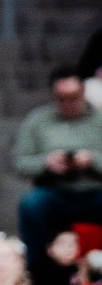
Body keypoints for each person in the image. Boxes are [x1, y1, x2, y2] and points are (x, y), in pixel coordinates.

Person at [14, 67, 102, 273]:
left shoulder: (99, 120)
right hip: (55, 192)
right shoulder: (37, 120)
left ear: (83, 93)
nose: (68, 103)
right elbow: (20, 163)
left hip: (95, 190)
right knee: (30, 205)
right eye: (61, 98)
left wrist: (92, 161)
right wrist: (46, 163)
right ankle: (37, 273)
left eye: (73, 97)